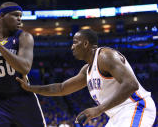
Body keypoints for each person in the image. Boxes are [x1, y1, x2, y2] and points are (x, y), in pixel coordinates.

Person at [16, 29, 156, 127]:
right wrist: (30, 88)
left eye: (75, 42)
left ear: (85, 44)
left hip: (136, 107)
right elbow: (61, 88)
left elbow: (131, 84)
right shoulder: (86, 70)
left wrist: (98, 109)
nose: (71, 47)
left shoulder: (105, 56)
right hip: (116, 116)